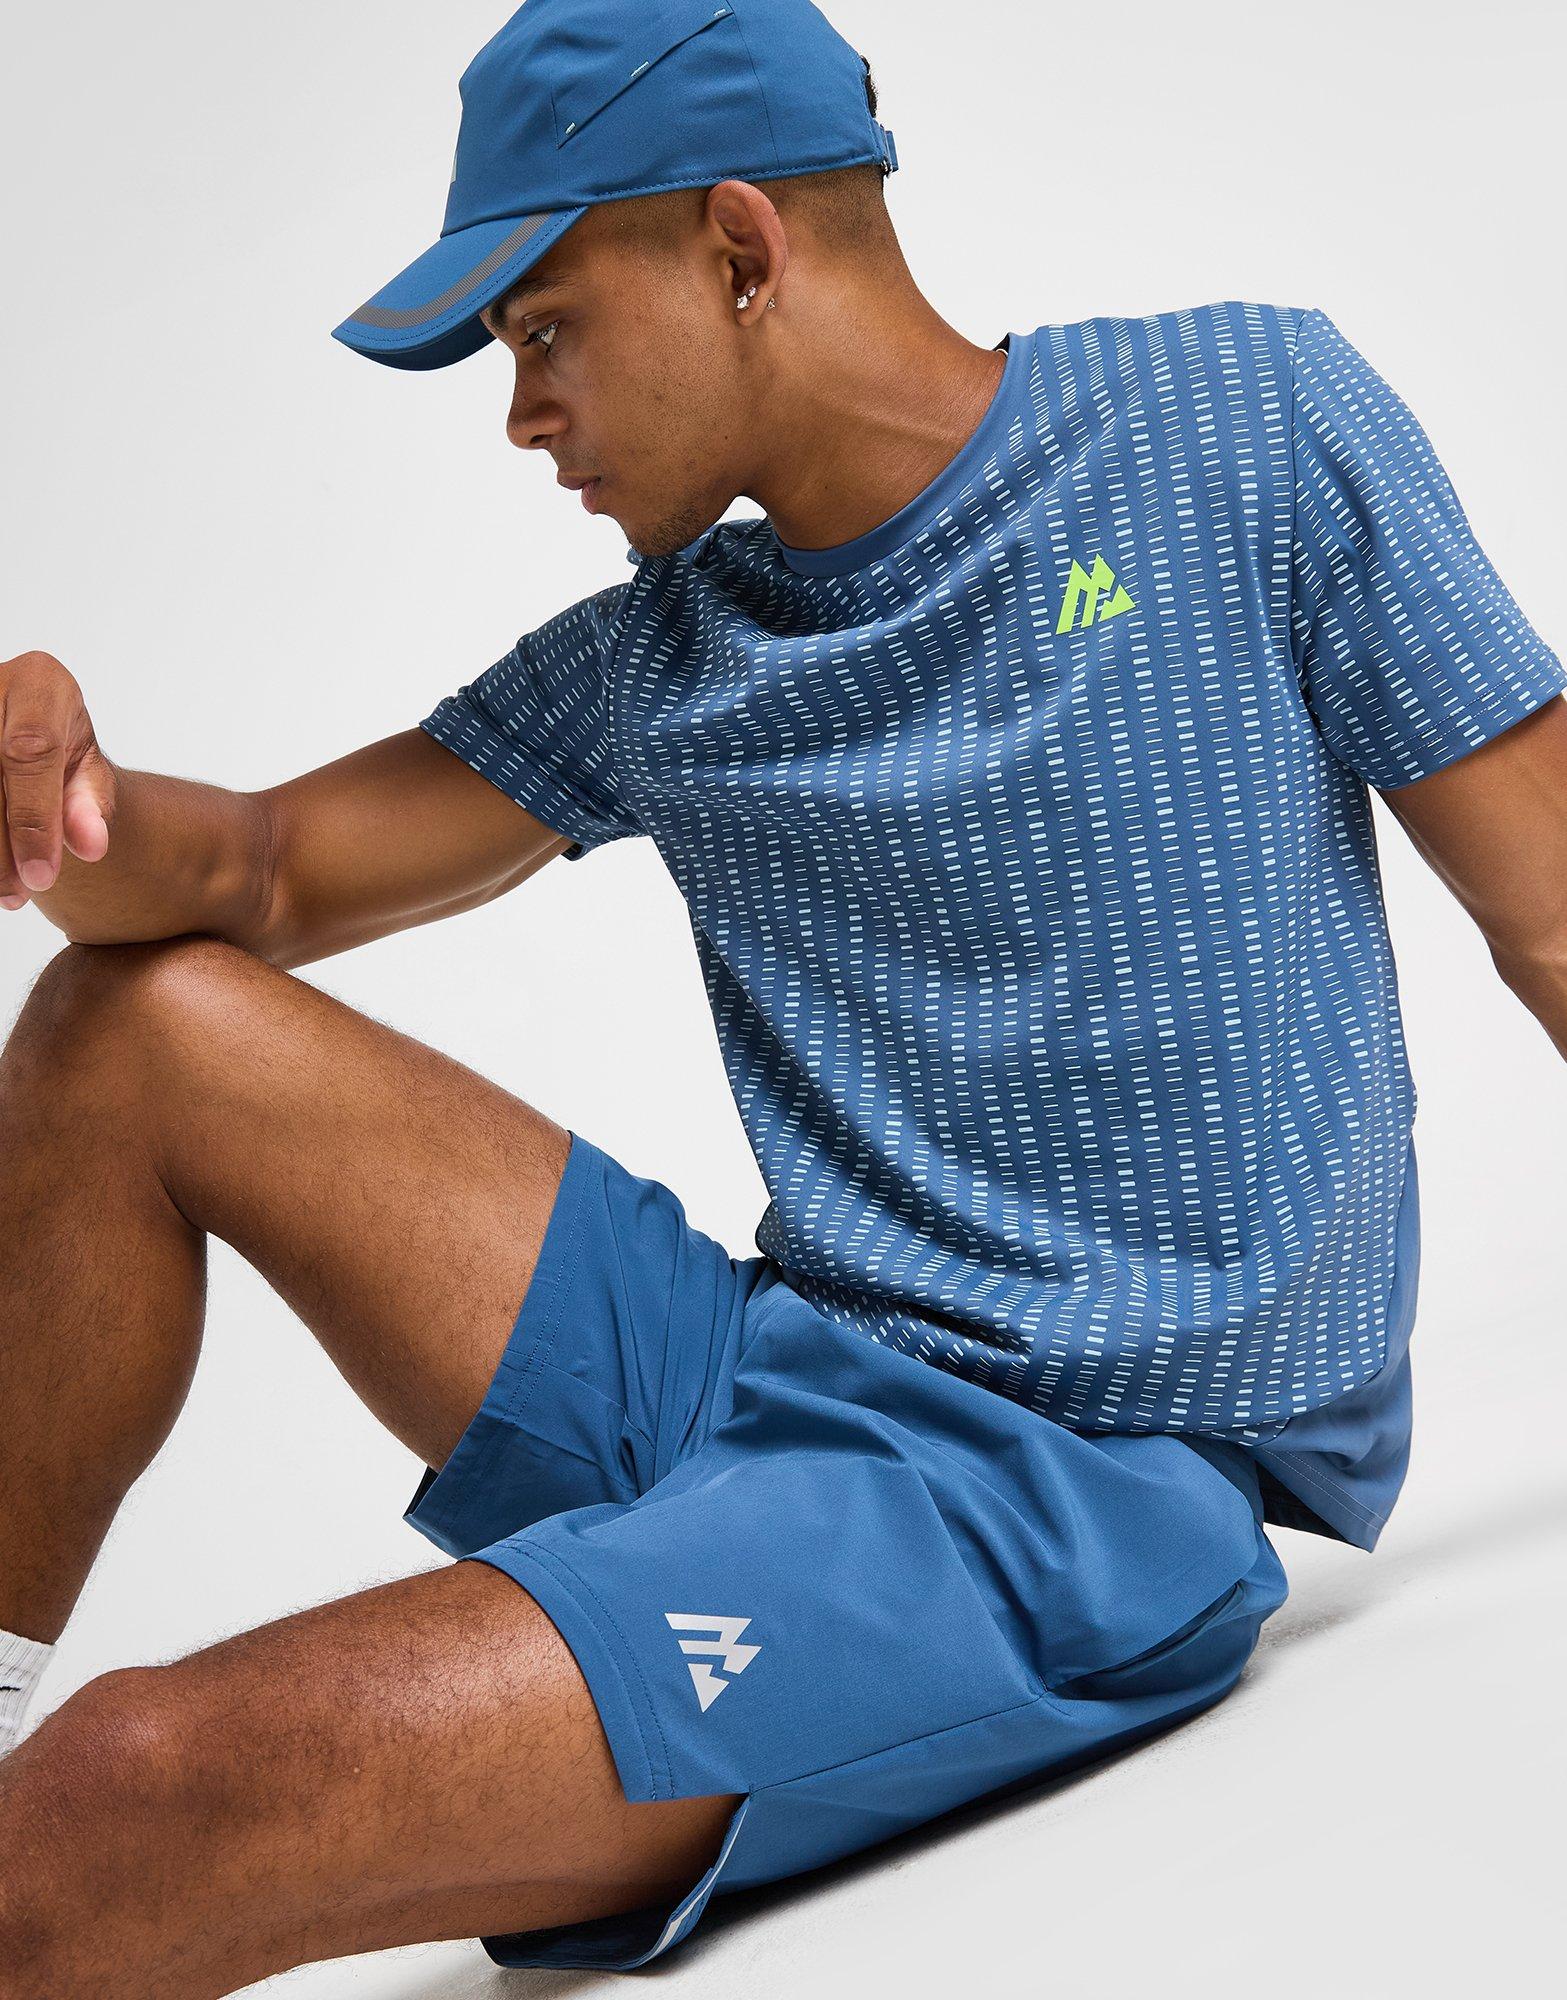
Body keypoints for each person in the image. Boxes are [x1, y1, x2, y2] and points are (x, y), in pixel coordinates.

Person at [1, 0, 1564, 1990]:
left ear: (739, 249)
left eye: (543, 331)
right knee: (124, 1026)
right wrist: (60, 798)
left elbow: (1557, 919)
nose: (522, 415)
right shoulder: (665, 659)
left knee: (128, 1793)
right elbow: (259, 871)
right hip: (760, 1366)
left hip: (1051, 1489)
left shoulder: (1239, 426)